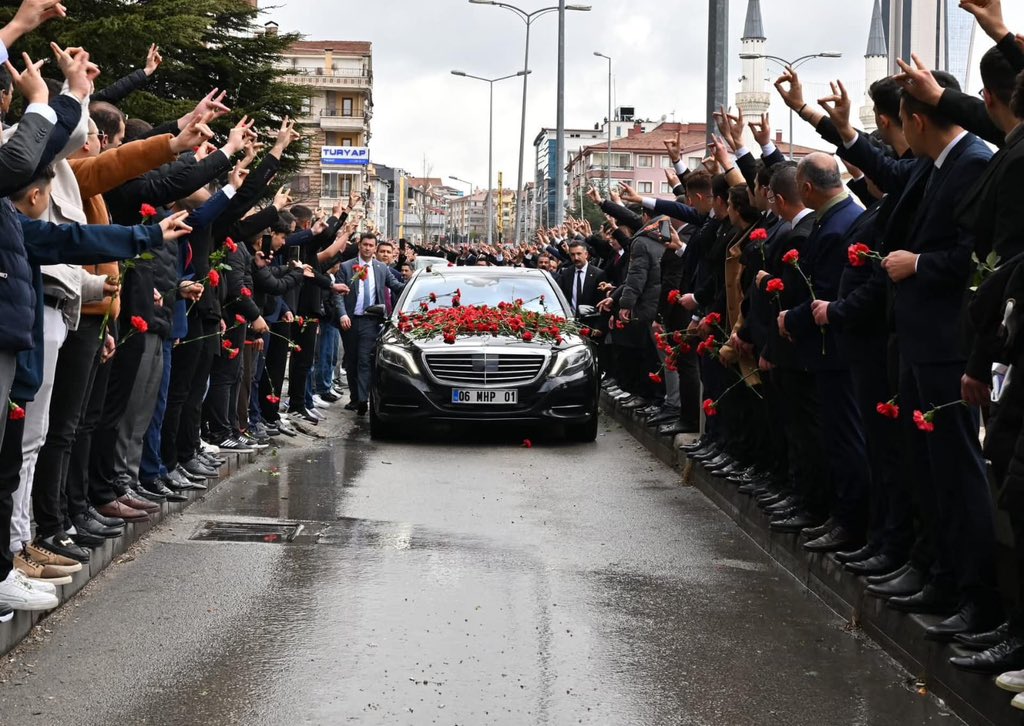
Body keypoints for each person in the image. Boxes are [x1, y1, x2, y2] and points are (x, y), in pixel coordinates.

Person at [336, 233, 405, 415]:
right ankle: (354, 397)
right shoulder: (346, 267)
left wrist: (417, 284)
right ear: (360, 246)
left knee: (365, 359)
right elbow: (338, 294)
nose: (367, 248)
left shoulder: (381, 268)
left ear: (374, 248)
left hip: (370, 321)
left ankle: (363, 399)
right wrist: (342, 314)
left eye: (370, 245)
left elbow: (396, 285)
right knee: (351, 361)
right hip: (350, 321)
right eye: (365, 244)